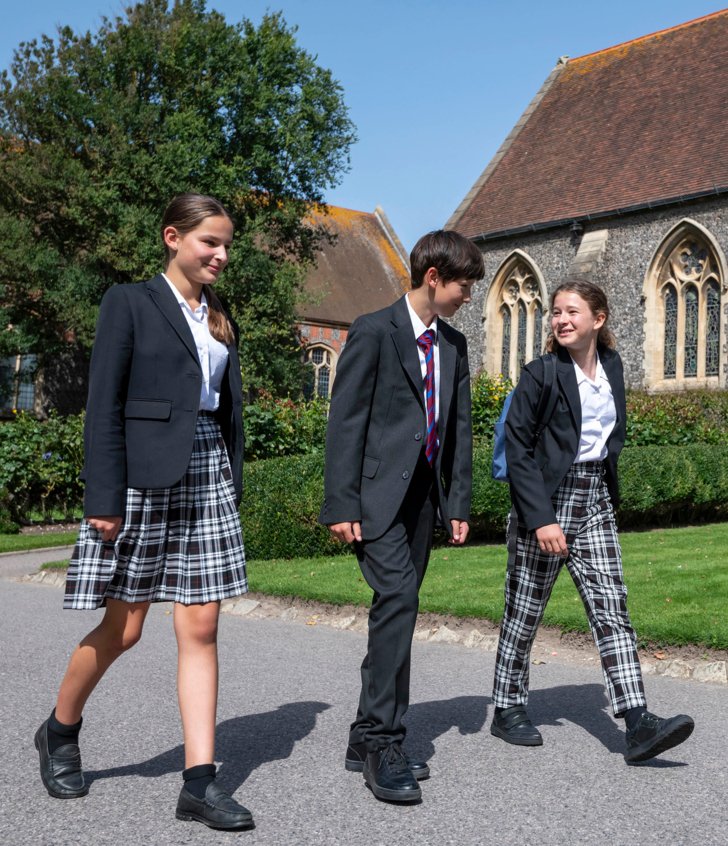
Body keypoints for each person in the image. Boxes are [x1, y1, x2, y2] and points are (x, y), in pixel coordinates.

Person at [34, 193, 254, 830]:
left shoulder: (220, 313)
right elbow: (103, 406)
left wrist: (228, 480)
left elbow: (223, 408)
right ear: (172, 237)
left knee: (202, 630)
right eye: (210, 241)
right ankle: (59, 730)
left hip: (206, 472)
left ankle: (200, 784)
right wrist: (103, 498)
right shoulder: (128, 302)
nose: (220, 254)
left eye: (226, 244)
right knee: (124, 630)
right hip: (140, 479)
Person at [490, 277, 694, 763]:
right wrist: (541, 519)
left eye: (571, 311)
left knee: (612, 608)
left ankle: (637, 721)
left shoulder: (613, 368)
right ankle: (507, 706)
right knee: (524, 613)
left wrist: (600, 490)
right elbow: (517, 450)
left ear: (597, 320)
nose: (560, 318)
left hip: (594, 499)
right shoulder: (540, 374)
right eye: (556, 311)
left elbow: (608, 440)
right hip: (543, 502)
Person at [319, 229, 484, 803]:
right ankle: (384, 743)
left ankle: (364, 732)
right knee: (399, 599)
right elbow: (346, 422)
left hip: (423, 501)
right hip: (374, 499)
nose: (470, 297)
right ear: (433, 278)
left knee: (397, 610)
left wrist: (457, 502)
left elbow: (458, 429)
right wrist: (340, 501)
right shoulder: (373, 330)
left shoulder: (454, 346)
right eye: (465, 286)